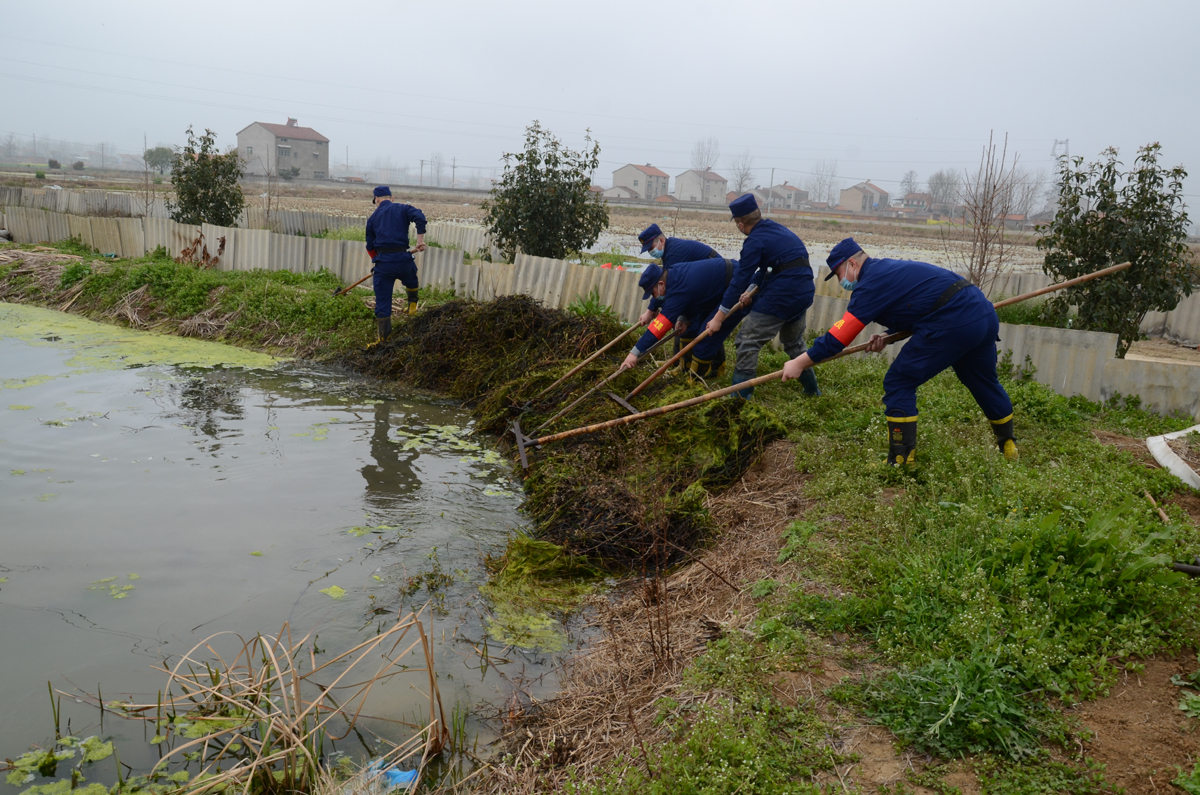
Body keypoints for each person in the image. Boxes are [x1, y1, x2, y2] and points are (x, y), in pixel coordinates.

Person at [780, 237, 1017, 464]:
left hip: (953, 321)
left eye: (839, 275)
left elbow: (838, 338)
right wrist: (887, 335)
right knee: (984, 382)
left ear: (851, 264)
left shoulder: (870, 284)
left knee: (899, 382)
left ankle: (901, 460)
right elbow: (921, 303)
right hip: (981, 313)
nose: (841, 281)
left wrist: (799, 363)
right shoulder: (888, 270)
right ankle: (1008, 446)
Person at [705, 194, 819, 398]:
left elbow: (740, 278)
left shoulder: (754, 241)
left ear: (740, 224)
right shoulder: (776, 229)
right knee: (793, 342)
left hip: (782, 295)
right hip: (804, 290)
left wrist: (718, 318)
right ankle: (812, 391)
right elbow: (772, 267)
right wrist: (751, 290)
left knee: (747, 340)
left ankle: (740, 397)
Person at [620, 258, 748, 378]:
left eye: (653, 293)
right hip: (717, 289)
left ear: (661, 284)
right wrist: (684, 318)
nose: (654, 298)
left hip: (737, 286)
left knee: (706, 336)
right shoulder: (673, 274)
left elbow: (659, 327)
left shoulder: (678, 289)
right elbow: (692, 298)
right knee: (691, 328)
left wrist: (634, 353)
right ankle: (686, 369)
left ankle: (697, 380)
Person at [365, 186, 427, 346]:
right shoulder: (403, 208)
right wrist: (419, 241)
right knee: (411, 278)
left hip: (384, 264)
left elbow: (370, 247)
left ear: (377, 200)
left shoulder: (372, 218)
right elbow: (420, 217)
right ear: (391, 198)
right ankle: (412, 305)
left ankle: (383, 339)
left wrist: (376, 261)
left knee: (383, 300)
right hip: (403, 258)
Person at [636, 224, 721, 324]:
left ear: (662, 241)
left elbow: (664, 282)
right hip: (702, 285)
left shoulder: (675, 253)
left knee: (679, 311)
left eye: (651, 248)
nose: (651, 252)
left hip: (715, 283)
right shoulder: (669, 250)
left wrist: (650, 310)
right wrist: (653, 308)